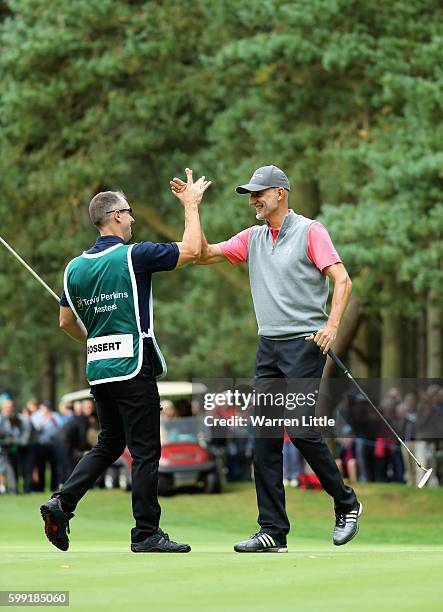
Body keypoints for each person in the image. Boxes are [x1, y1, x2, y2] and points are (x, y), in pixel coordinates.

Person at [171, 165, 362, 552]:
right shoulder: (253, 237)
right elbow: (202, 253)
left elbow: (342, 280)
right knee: (264, 437)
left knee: (302, 429)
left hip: (305, 343)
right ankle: (273, 530)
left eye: (260, 193)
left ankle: (347, 503)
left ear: (280, 193)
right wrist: (192, 208)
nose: (254, 200)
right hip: (269, 347)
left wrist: (332, 326)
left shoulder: (312, 231)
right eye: (251, 194)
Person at [40, 169, 211, 553]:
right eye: (129, 212)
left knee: (110, 442)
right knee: (147, 450)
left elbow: (66, 322)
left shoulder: (73, 268)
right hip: (134, 366)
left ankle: (62, 503)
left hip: (99, 370)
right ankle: (146, 533)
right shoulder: (136, 255)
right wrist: (191, 205)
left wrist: (97, 340)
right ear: (116, 215)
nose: (133, 218)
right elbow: (194, 250)